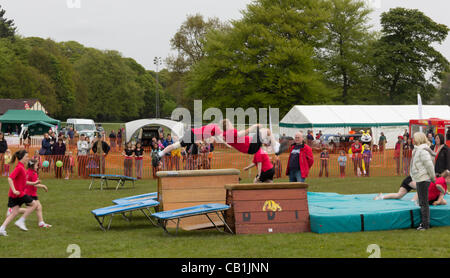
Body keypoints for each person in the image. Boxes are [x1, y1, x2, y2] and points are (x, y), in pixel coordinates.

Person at [0, 150, 38, 236]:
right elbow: (10, 178)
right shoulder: (19, 168)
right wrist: (14, 190)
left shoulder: (22, 167)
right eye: (26, 157)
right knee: (35, 204)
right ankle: (21, 221)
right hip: (18, 194)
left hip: (15, 194)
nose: (28, 159)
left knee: (14, 213)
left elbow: (24, 181)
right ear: (21, 158)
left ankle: (2, 228)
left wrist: (34, 183)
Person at [410, 132, 436, 231]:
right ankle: (424, 223)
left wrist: (433, 177)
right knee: (422, 202)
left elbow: (429, 165)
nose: (413, 140)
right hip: (420, 178)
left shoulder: (422, 151)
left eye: (414, 138)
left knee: (423, 202)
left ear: (419, 139)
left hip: (423, 178)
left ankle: (425, 224)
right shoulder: (417, 150)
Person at [18, 159, 51, 228]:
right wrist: (43, 186)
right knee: (31, 209)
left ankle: (41, 223)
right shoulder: (33, 173)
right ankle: (13, 211)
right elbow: (35, 184)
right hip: (31, 194)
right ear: (32, 166)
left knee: (38, 207)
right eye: (36, 165)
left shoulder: (28, 172)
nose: (37, 166)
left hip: (29, 193)